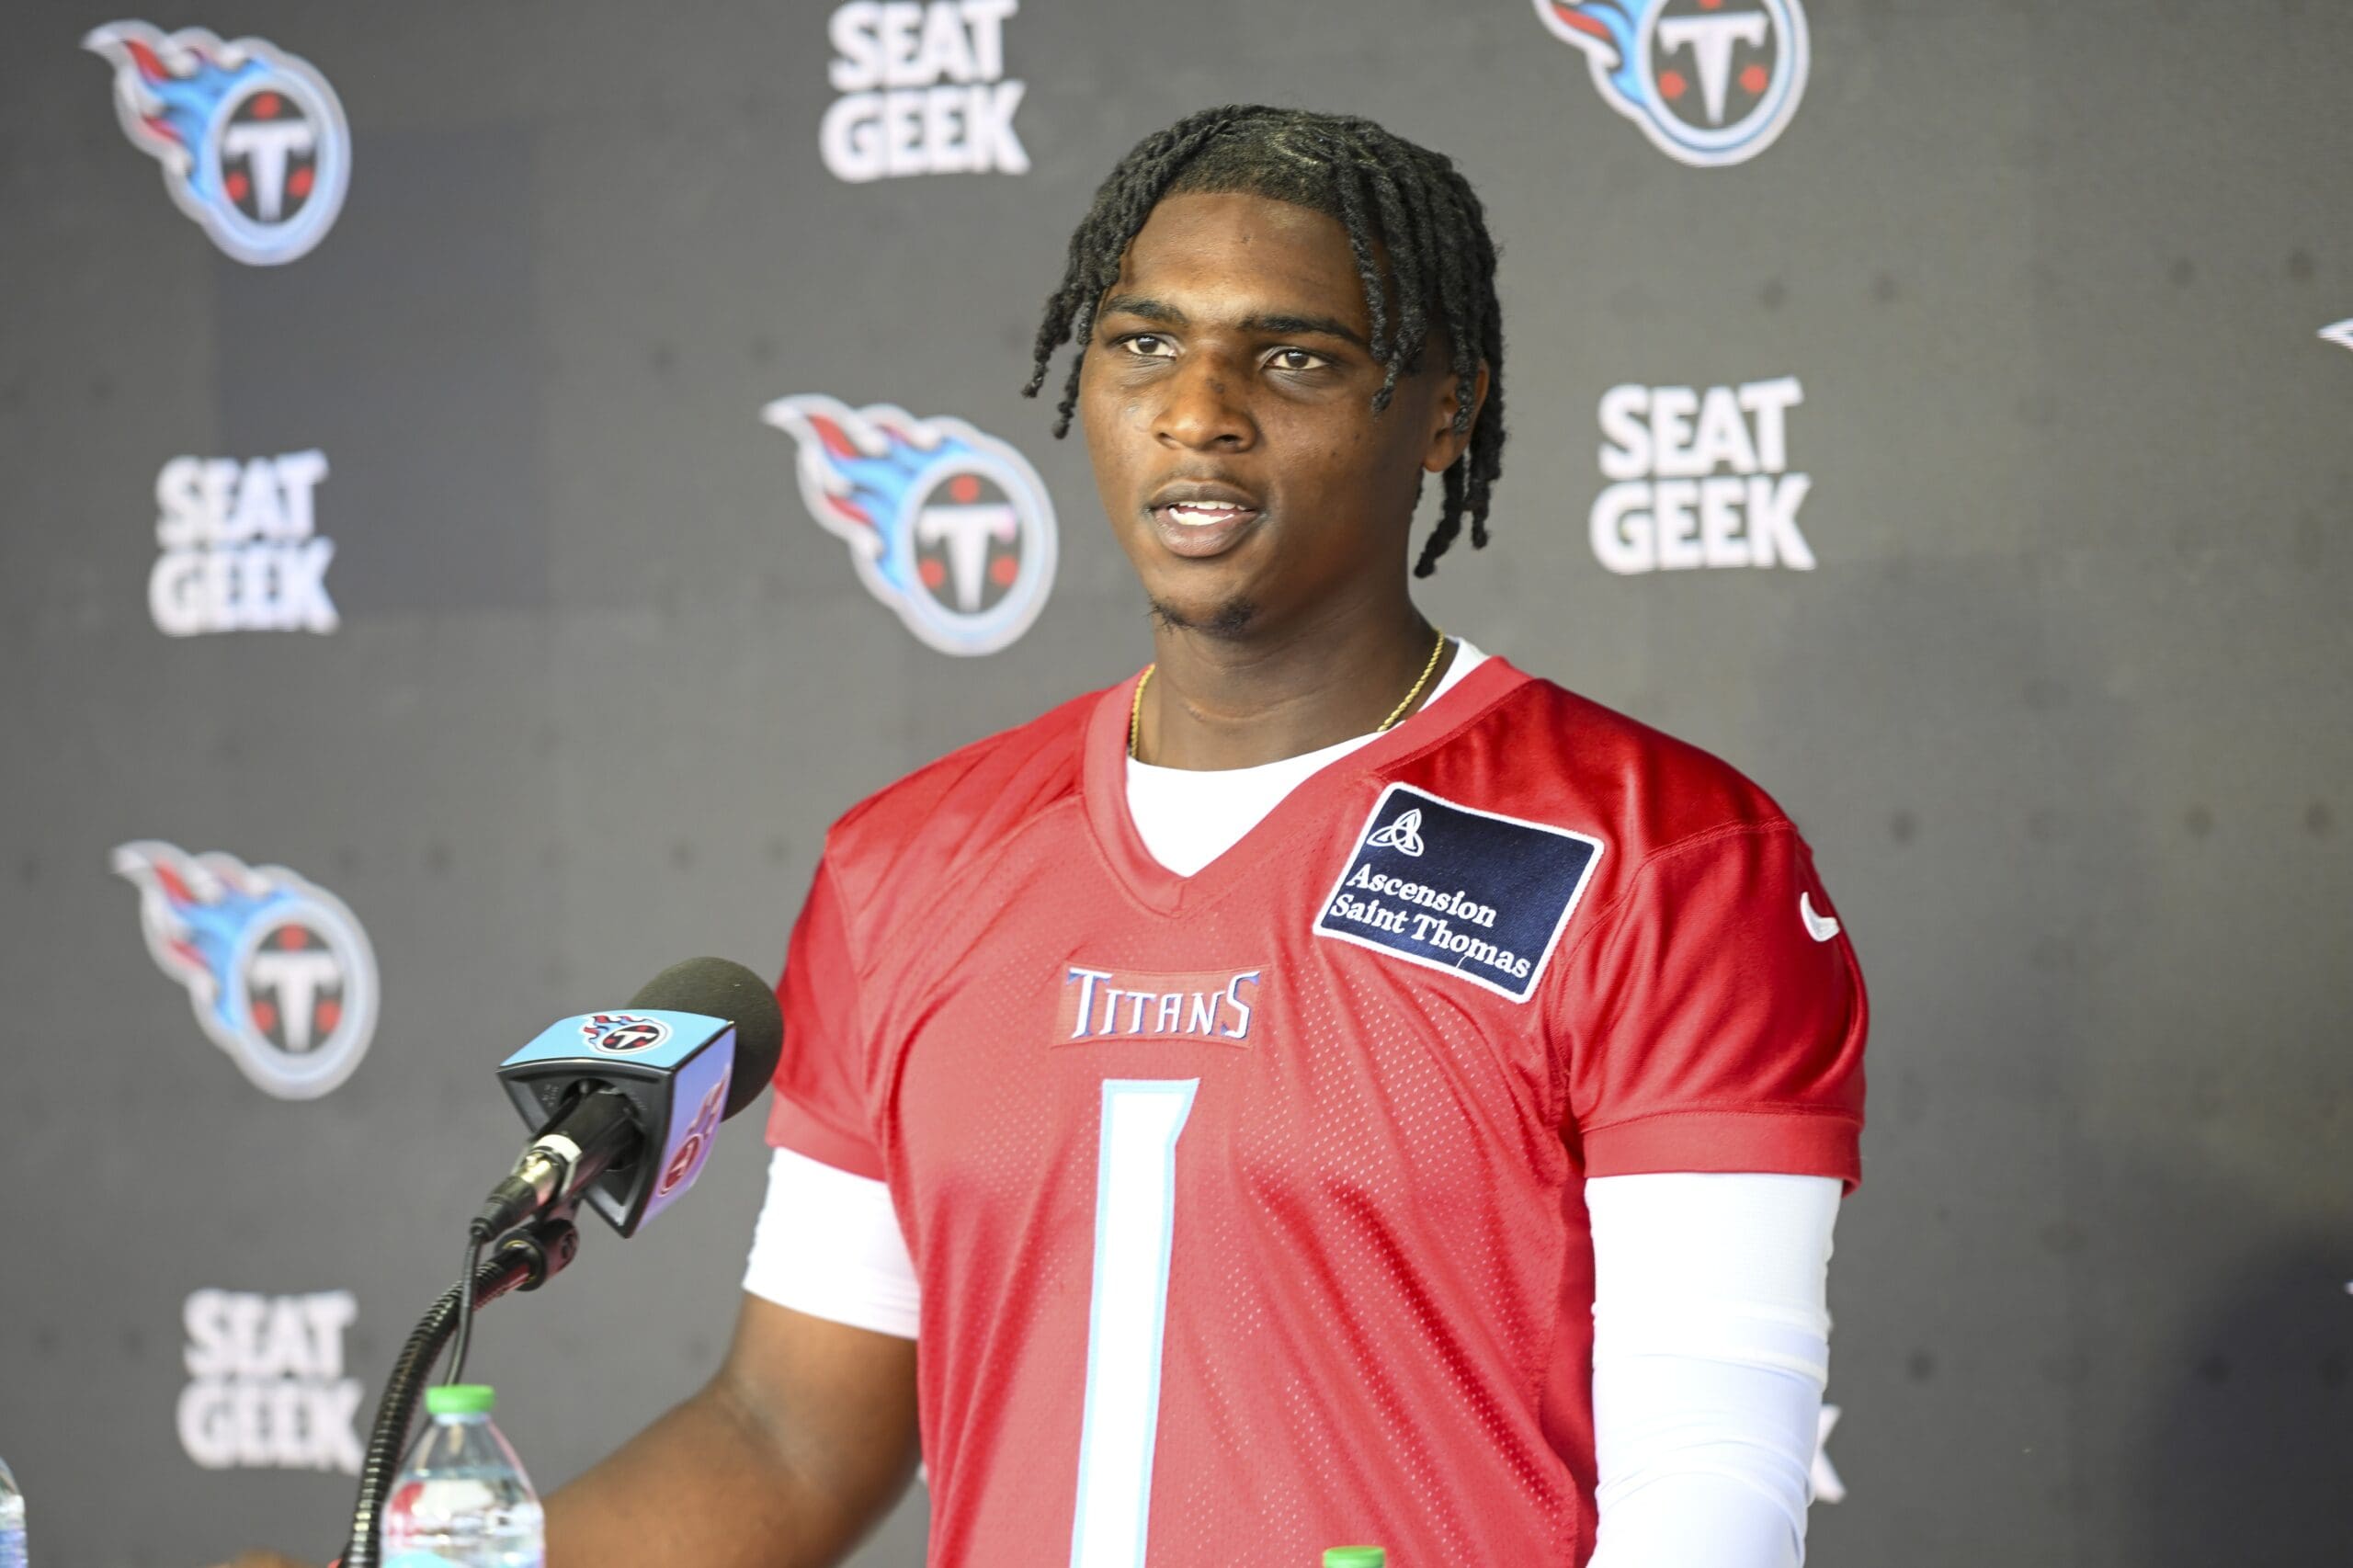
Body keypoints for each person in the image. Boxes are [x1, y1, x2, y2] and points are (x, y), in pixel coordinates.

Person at [222, 104, 1867, 1568]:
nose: (1200, 410)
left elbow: (1709, 1470)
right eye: (1144, 345)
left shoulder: (1662, 853)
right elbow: (787, 1440)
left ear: (1445, 411)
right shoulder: (909, 865)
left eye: (1293, 355)